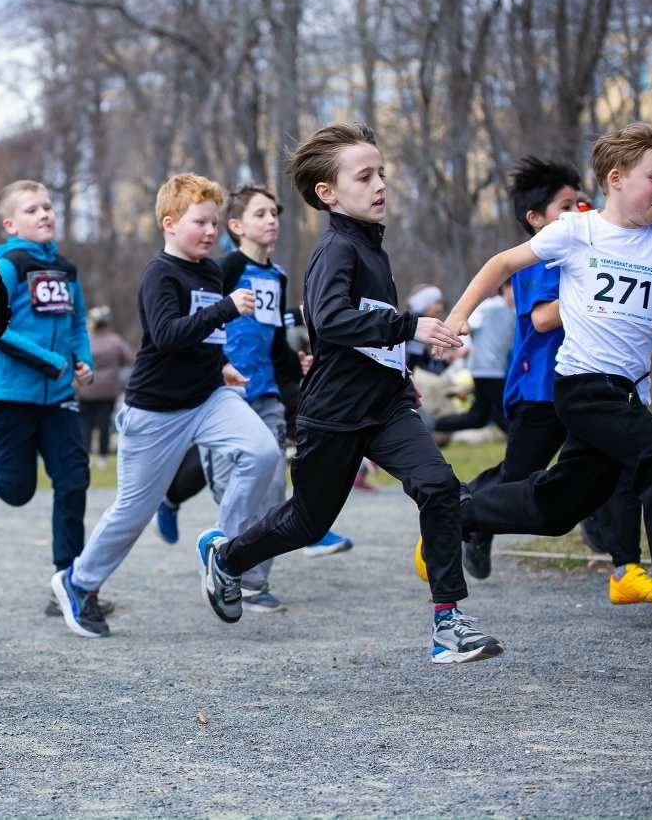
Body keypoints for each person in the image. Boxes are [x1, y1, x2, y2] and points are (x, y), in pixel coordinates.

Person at [202, 122, 504, 664]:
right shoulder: (336, 248)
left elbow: (368, 327)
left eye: (382, 173)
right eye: (365, 176)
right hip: (334, 412)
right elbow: (332, 319)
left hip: (386, 405)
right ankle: (228, 558)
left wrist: (399, 371)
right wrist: (409, 327)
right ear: (329, 193)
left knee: (438, 485)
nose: (380, 185)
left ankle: (448, 622)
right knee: (307, 522)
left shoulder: (371, 247)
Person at [448, 122, 652, 660]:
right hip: (584, 386)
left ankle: (461, 511)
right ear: (616, 179)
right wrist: (459, 317)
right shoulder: (578, 231)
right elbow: (503, 263)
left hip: (627, 393)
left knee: (558, 507)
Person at [51, 173, 282, 638]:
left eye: (215, 223)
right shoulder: (160, 274)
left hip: (210, 396)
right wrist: (226, 310)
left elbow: (204, 338)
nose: (211, 232)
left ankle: (222, 549)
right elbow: (169, 335)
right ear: (170, 223)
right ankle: (78, 583)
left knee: (264, 453)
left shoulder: (212, 271)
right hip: (156, 409)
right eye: (201, 222)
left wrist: (221, 366)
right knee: (133, 511)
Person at [424, 156, 652, 606]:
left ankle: (625, 567)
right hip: (541, 388)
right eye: (565, 206)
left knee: (623, 464)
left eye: (581, 202)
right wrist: (596, 295)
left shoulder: (593, 247)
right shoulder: (541, 256)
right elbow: (544, 319)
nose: (579, 212)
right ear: (536, 220)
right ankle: (463, 515)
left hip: (592, 383)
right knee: (520, 474)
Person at [156, 183, 352, 612]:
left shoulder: (277, 277)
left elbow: (276, 339)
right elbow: (197, 321)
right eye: (261, 214)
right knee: (230, 488)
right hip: (221, 393)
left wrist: (297, 370)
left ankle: (254, 582)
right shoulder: (222, 268)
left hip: (264, 393)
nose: (272, 221)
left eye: (275, 214)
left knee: (271, 483)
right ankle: (182, 512)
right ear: (236, 225)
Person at [0, 179, 94, 617]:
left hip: (57, 397)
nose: (45, 215)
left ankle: (70, 582)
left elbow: (78, 324)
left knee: (74, 479)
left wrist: (81, 361)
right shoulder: (6, 262)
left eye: (48, 207)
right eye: (33, 210)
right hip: (9, 393)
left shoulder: (69, 269)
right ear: (11, 224)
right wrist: (47, 359)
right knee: (18, 490)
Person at [430, 281, 513, 435]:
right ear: (505, 287)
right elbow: (464, 321)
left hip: (497, 370)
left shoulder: (514, 311)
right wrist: (463, 345)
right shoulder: (489, 307)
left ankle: (430, 425)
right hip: (485, 369)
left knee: (478, 418)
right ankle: (520, 446)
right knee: (508, 413)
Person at [76, 306, 133, 469]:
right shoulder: (116, 340)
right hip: (108, 389)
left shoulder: (85, 339)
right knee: (104, 424)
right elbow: (128, 359)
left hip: (86, 387)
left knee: (85, 424)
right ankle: (102, 456)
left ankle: (86, 454)